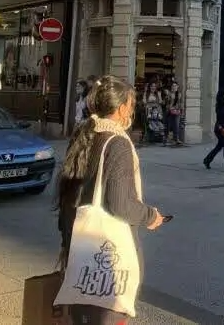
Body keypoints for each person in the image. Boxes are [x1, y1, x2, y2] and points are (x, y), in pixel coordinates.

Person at [55, 75, 167, 325]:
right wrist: (151, 216)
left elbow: (70, 189)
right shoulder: (117, 143)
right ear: (122, 107)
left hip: (78, 246)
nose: (133, 108)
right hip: (107, 258)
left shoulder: (85, 133)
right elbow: (119, 203)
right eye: (131, 102)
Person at [203, 89, 224, 173]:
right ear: (223, 96)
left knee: (219, 147)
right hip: (220, 130)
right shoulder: (220, 106)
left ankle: (207, 160)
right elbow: (221, 116)